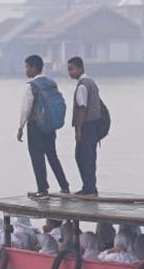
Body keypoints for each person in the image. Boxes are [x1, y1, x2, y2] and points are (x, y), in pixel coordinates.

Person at [17, 55, 70, 198]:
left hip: (35, 126)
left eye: (27, 67)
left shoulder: (31, 86)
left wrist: (20, 128)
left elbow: (25, 109)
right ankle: (64, 186)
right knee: (52, 155)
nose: (26, 70)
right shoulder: (51, 83)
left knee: (37, 157)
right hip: (50, 125)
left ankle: (42, 189)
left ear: (34, 68)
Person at [67, 56, 106, 196]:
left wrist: (78, 129)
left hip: (87, 126)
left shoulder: (82, 85)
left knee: (82, 157)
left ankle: (89, 188)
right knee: (89, 157)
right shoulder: (92, 82)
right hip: (94, 125)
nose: (70, 72)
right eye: (69, 69)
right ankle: (90, 186)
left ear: (80, 68)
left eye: (72, 69)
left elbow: (82, 108)